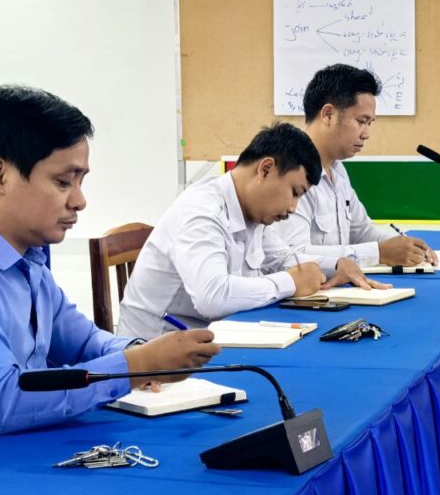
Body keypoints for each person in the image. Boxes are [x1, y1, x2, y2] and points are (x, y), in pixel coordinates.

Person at [0, 86, 220, 482]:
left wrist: (144, 355)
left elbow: (85, 343)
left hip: (2, 464)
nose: (80, 201)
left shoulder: (27, 259)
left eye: (80, 182)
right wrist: (137, 366)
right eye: (64, 182)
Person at [117, 122, 384, 341]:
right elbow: (212, 296)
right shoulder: (201, 211)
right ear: (265, 169)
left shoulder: (253, 213)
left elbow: (282, 259)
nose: (293, 208)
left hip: (213, 339)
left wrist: (336, 265)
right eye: (294, 192)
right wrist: (289, 283)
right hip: (155, 357)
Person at [274, 63, 437, 268]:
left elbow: (361, 231)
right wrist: (378, 253)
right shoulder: (289, 171)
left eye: (370, 123)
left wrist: (407, 247)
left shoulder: (337, 170)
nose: (366, 134)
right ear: (328, 115)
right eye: (361, 121)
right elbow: (293, 256)